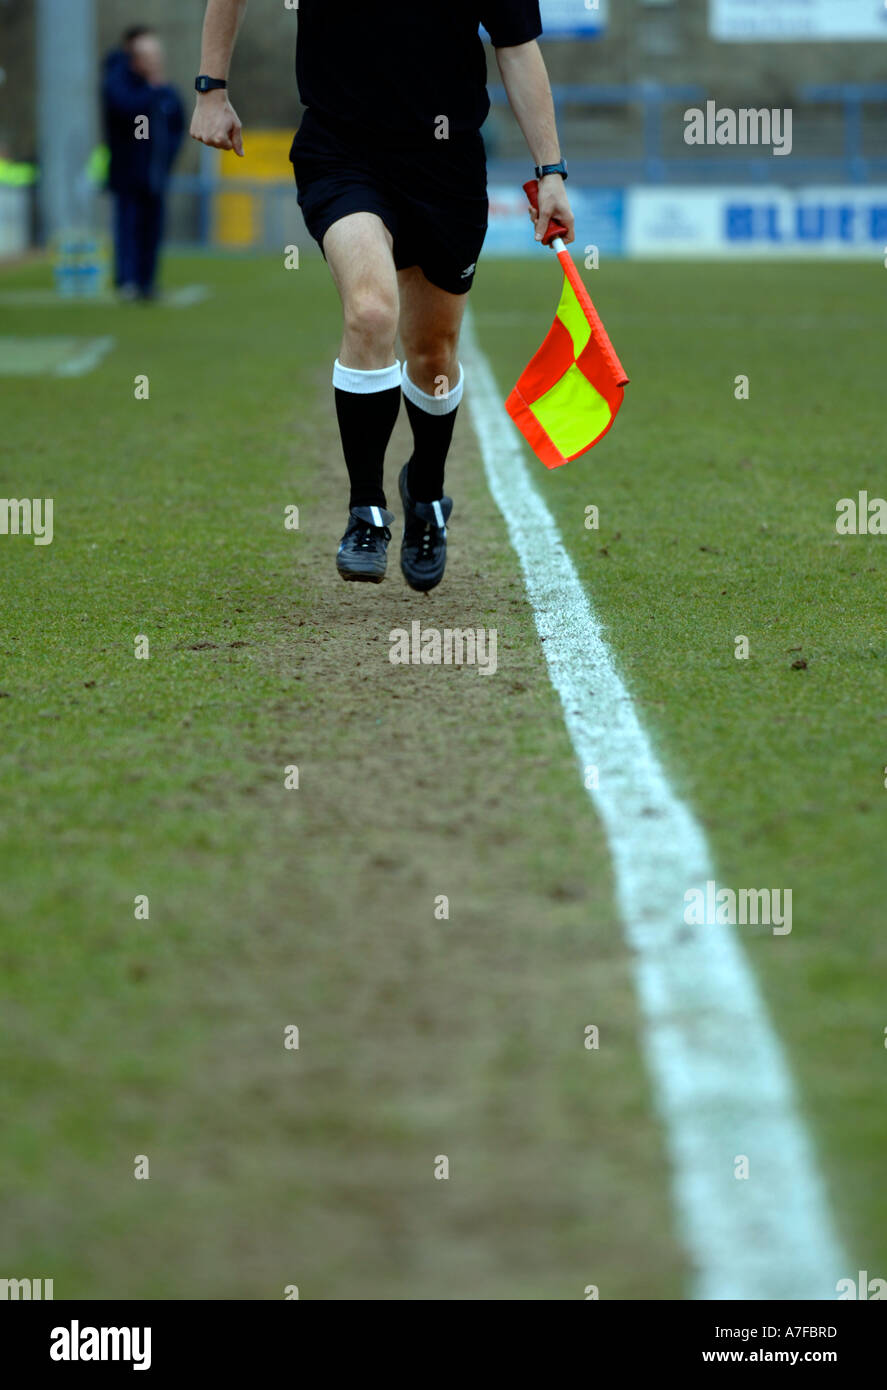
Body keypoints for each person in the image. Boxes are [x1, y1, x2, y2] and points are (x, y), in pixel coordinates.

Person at [190, 1, 574, 589]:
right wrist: (211, 90)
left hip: (446, 164)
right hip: (342, 151)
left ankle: (426, 493)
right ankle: (366, 511)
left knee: (433, 354)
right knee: (370, 313)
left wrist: (551, 171)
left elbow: (517, 46)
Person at [102, 26, 185, 301]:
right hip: (129, 175)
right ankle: (127, 281)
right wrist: (151, 93)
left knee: (152, 230)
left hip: (155, 175)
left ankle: (146, 282)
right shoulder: (121, 82)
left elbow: (176, 123)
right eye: (147, 55)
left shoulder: (163, 93)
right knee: (129, 228)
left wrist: (168, 156)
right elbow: (129, 113)